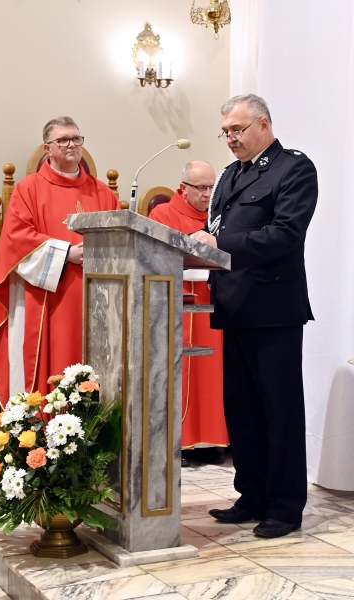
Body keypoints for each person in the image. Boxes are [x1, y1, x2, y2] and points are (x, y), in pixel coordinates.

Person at [192, 94, 317, 538]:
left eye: (237, 130)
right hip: (234, 304)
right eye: (225, 131)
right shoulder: (230, 175)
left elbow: (286, 234)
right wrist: (197, 242)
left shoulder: (293, 168)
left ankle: (285, 506)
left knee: (279, 412)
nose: (230, 138)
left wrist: (219, 245)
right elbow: (219, 228)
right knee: (242, 410)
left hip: (273, 307)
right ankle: (252, 494)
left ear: (263, 124)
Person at [0, 117, 120, 406]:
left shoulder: (102, 193)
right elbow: (17, 239)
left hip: (97, 298)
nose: (72, 144)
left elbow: (120, 238)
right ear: (48, 148)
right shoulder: (29, 189)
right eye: (63, 140)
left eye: (76, 139)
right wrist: (66, 253)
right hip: (48, 299)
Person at [149, 161, 229, 467]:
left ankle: (211, 440)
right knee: (178, 372)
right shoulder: (162, 214)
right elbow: (154, 255)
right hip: (176, 302)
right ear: (183, 188)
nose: (208, 194)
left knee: (211, 373)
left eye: (212, 188)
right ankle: (178, 442)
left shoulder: (219, 217)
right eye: (201, 188)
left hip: (212, 301)